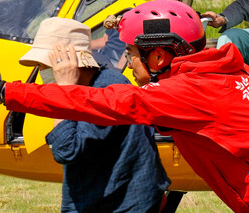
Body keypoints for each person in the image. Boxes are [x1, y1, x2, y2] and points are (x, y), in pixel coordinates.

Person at [0, 0, 249, 213]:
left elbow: (99, 104)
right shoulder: (223, 66)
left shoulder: (185, 91)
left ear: (159, 58)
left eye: (134, 54)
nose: (127, 62)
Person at [18, 17, 169, 213]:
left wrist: (65, 89)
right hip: (98, 197)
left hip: (127, 204)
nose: (43, 72)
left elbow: (66, 149)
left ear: (71, 62)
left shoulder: (107, 89)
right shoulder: (86, 85)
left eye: (48, 65)